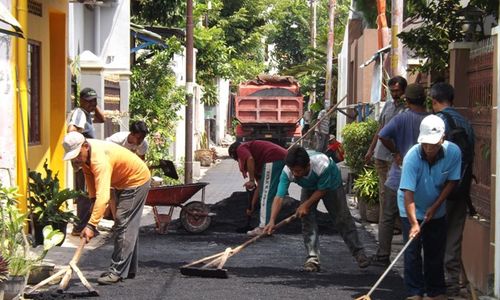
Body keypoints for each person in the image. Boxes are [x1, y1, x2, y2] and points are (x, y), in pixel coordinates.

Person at [62, 131, 151, 285]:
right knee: (128, 225)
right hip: (123, 181)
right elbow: (89, 177)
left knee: (122, 223)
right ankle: (127, 269)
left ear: (84, 146)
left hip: (136, 181)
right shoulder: (86, 155)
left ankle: (116, 271)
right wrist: (92, 200)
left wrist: (91, 225)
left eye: (77, 155)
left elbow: (104, 197)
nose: (75, 160)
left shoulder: (99, 159)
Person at [264, 146, 369, 271]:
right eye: (293, 171)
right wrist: (271, 220)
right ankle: (312, 258)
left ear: (307, 165)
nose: (295, 174)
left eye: (298, 171)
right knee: (307, 218)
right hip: (309, 187)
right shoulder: (288, 170)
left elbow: (322, 190)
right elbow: (279, 197)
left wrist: (305, 205)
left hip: (331, 185)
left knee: (342, 218)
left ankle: (359, 253)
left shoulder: (322, 164)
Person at [399, 115, 461, 300]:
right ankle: (414, 292)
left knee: (435, 250)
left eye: (433, 145)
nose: (428, 148)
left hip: (436, 208)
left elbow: (452, 181)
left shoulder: (454, 153)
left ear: (443, 138)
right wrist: (413, 224)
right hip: (410, 207)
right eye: (425, 144)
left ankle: (435, 291)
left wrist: (435, 206)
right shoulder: (412, 157)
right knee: (412, 252)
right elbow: (408, 192)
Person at [371, 84, 429, 267]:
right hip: (424, 180)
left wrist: (396, 152)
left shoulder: (401, 118)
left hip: (398, 177)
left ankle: (383, 255)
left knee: (387, 216)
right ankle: (419, 259)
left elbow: (382, 135)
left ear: (408, 99)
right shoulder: (431, 120)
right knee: (422, 218)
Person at [430, 82, 475, 296]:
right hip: (461, 187)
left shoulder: (437, 122)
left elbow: (430, 154)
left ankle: (436, 281)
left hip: (438, 188)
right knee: (454, 235)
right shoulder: (466, 123)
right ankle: (453, 281)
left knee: (435, 233)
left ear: (434, 100)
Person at [364, 76, 407, 226]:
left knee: (396, 190)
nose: (395, 94)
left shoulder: (407, 108)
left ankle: (396, 224)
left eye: (397, 91)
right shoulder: (388, 106)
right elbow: (380, 129)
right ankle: (385, 224)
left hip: (397, 156)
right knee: (384, 191)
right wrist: (370, 149)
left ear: (403, 91)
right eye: (392, 91)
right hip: (381, 154)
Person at [67, 87, 106, 236]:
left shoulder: (86, 114)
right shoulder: (79, 113)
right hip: (83, 158)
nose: (92, 104)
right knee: (84, 193)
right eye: (89, 101)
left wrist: (93, 105)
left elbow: (102, 119)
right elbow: (71, 130)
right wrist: (81, 146)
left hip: (87, 158)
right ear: (81, 101)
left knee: (88, 191)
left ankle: (84, 225)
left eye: (94, 101)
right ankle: (79, 227)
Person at [228, 140, 287, 236]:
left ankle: (263, 227)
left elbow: (250, 159)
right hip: (280, 158)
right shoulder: (258, 164)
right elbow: (259, 186)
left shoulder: (241, 148)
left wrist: (251, 180)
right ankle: (268, 225)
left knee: (266, 194)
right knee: (267, 192)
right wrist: (252, 205)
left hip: (273, 158)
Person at [105, 120, 150, 220]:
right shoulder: (116, 140)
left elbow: (141, 162)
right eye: (138, 138)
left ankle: (114, 216)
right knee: (111, 191)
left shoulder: (143, 144)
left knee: (125, 193)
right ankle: (115, 219)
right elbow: (105, 154)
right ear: (132, 134)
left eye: (143, 138)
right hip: (112, 166)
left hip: (127, 170)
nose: (140, 141)